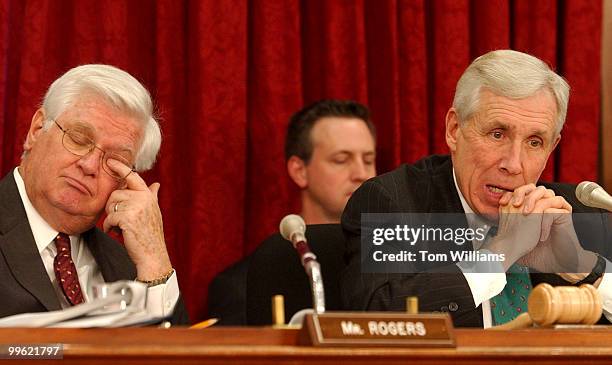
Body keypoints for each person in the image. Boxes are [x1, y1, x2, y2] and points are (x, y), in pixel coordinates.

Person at [341, 49, 612, 328]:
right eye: (497, 134)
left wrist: (586, 268)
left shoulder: (577, 212)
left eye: (534, 142)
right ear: (454, 129)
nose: (514, 164)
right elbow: (374, 320)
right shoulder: (394, 202)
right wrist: (499, 255)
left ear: (552, 147)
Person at [0, 64, 188, 324]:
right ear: (37, 130)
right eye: (78, 139)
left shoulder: (129, 266)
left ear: (125, 183)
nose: (88, 166)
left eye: (113, 161)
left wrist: (154, 259)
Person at [208, 99, 377, 325]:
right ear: (299, 171)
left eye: (369, 160)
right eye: (341, 160)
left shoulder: (396, 272)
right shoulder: (243, 286)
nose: (361, 173)